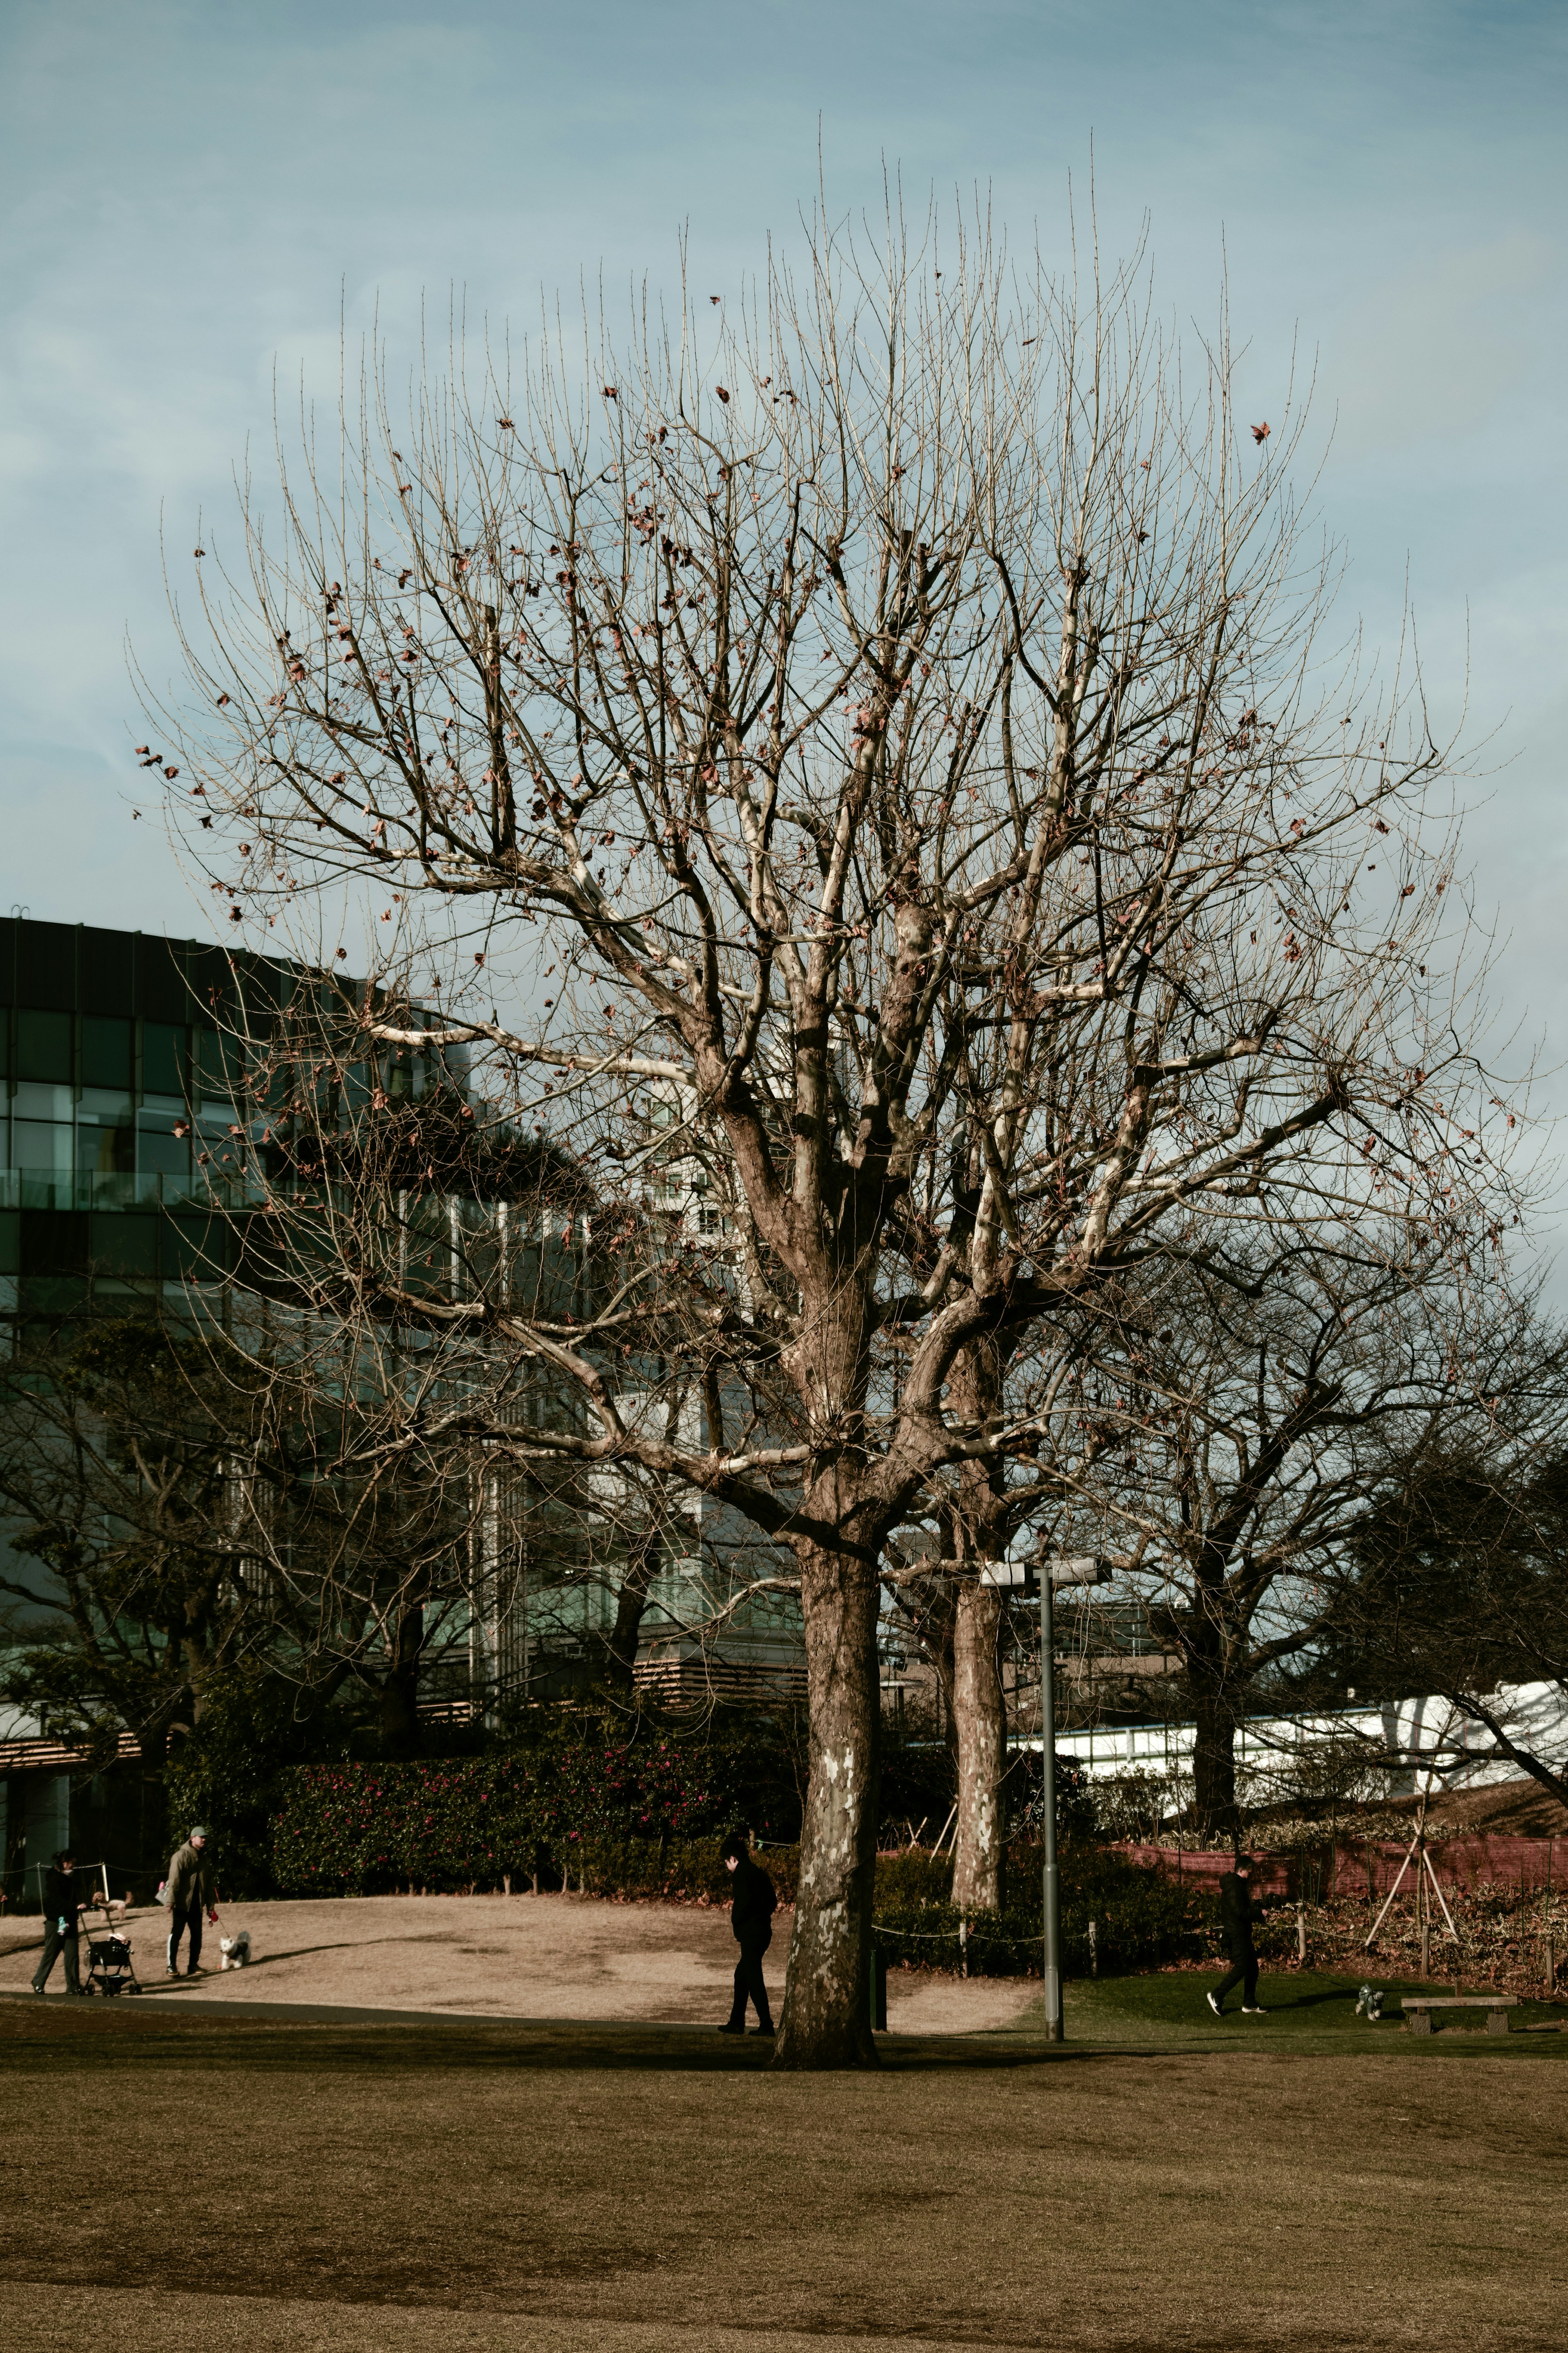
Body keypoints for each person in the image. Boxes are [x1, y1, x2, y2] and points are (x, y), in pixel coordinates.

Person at [717, 1832, 776, 2036]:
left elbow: (741, 1905)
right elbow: (772, 1902)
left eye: (727, 1862)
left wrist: (739, 1926)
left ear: (733, 1859)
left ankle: (766, 2024)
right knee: (742, 1975)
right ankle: (736, 2022)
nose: (727, 1867)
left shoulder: (741, 1874)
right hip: (763, 1932)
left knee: (752, 1977)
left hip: (751, 1933)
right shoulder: (758, 1872)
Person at [1208, 1852, 1269, 2016]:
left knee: (1253, 1968)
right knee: (1242, 1967)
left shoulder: (1238, 1885)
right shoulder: (1234, 1886)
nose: (1251, 1875)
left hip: (1241, 1931)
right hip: (1237, 1933)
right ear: (1241, 1870)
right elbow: (1239, 1912)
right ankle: (1217, 1995)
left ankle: (1249, 2002)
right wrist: (1259, 1913)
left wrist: (1257, 1915)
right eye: (1250, 1871)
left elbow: (1241, 1911)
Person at [162, 1824, 217, 1978]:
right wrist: (170, 1902)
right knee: (176, 1935)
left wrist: (211, 1907)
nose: (204, 1840)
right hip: (181, 1904)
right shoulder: (180, 1856)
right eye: (202, 1837)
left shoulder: (205, 1859)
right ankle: (171, 1967)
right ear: (192, 1839)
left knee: (197, 1936)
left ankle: (193, 1965)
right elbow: (174, 1881)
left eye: (206, 1837)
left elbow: (209, 1885)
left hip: (197, 1905)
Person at [31, 1849, 87, 1996]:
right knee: (51, 1953)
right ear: (64, 1863)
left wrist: (78, 1906)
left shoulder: (72, 1878)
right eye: (72, 1863)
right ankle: (38, 1981)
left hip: (70, 1920)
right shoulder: (55, 1879)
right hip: (57, 1921)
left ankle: (73, 1986)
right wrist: (74, 1907)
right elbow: (57, 1901)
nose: (74, 1866)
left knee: (72, 1954)